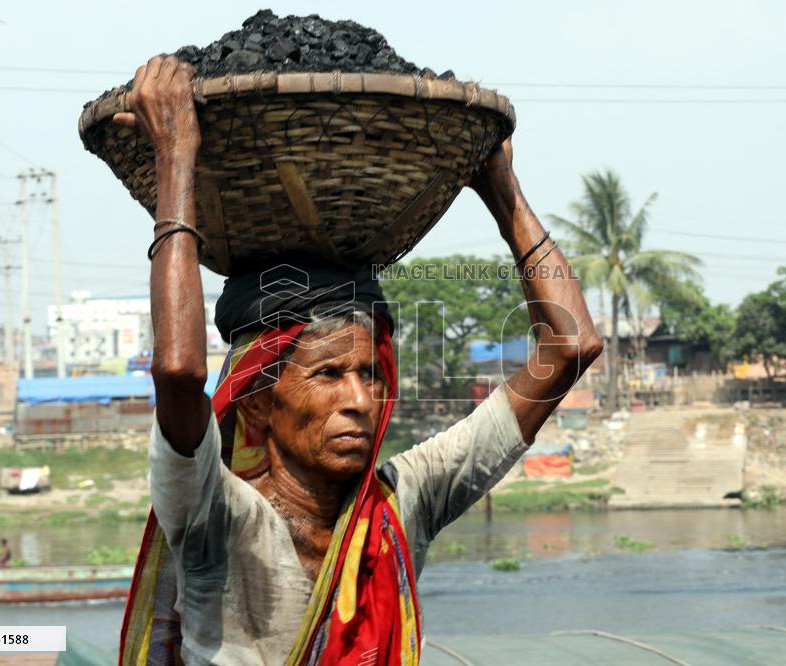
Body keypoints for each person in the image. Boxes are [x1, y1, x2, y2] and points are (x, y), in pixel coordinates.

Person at [113, 55, 603, 666]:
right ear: (261, 400)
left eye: (371, 374)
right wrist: (176, 155)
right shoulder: (214, 512)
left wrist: (503, 192)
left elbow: (572, 346)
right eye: (328, 374)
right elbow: (181, 372)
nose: (360, 400)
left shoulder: (402, 503)